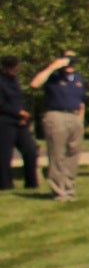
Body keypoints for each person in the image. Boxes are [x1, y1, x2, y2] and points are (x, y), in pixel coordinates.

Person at [30, 51, 86, 201]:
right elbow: (35, 84)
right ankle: (58, 190)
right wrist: (53, 67)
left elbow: (82, 101)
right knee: (57, 155)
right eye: (66, 60)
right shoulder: (53, 77)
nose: (69, 63)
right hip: (57, 115)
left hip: (75, 116)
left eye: (72, 60)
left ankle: (69, 188)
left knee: (73, 154)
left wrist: (81, 118)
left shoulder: (78, 79)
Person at [0, 56, 37, 192]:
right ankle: (5, 185)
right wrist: (18, 112)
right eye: (12, 67)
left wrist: (23, 114)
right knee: (5, 155)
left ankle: (31, 183)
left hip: (20, 122)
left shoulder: (14, 81)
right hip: (5, 122)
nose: (15, 70)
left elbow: (19, 99)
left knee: (30, 150)